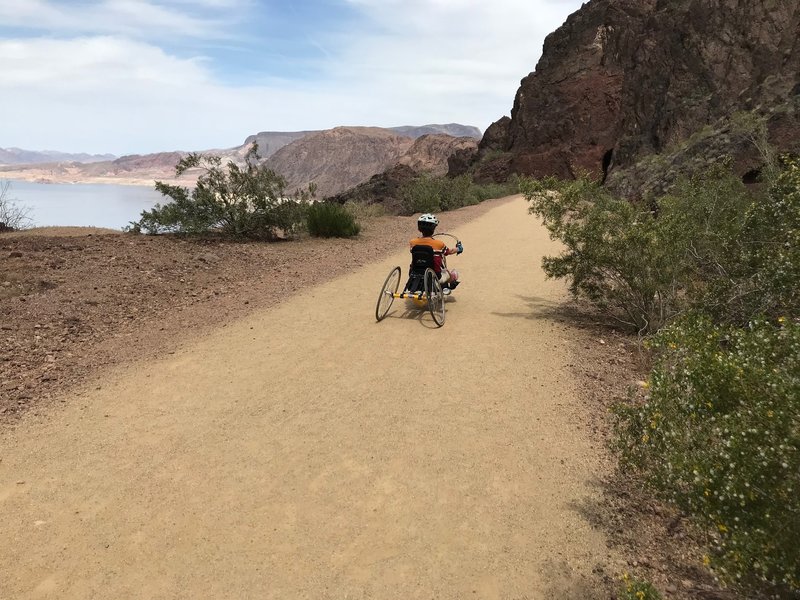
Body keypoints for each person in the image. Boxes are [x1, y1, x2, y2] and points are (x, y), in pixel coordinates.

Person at [409, 213, 463, 293]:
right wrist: (459, 248)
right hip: (435, 275)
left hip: (414, 273)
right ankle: (447, 285)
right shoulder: (439, 244)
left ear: (419, 229)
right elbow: (449, 252)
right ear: (433, 228)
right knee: (450, 273)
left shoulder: (412, 242)